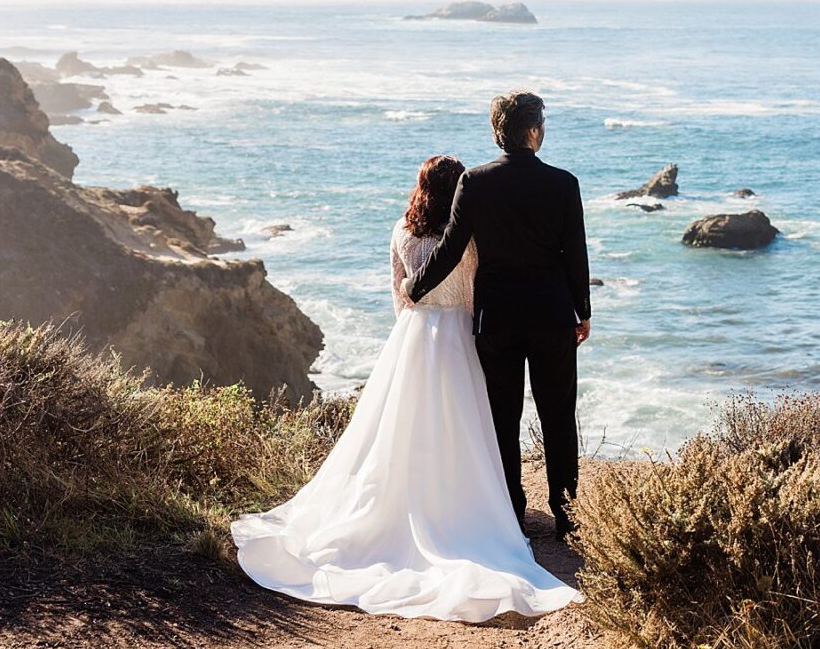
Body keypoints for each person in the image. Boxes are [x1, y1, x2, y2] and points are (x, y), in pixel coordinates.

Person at [230, 154, 578, 622]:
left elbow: (401, 295)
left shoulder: (400, 231)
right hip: (459, 335)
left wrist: (414, 335)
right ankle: (490, 506)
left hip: (412, 338)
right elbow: (476, 290)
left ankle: (423, 501)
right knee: (475, 425)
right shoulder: (467, 239)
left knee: (404, 429)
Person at [403, 91, 591, 539]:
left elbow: (450, 247)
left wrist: (416, 287)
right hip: (551, 316)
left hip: (497, 319)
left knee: (502, 417)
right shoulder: (564, 184)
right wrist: (582, 311)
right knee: (558, 414)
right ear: (532, 131)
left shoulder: (476, 182)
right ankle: (566, 515)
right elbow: (576, 257)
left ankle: (512, 512)